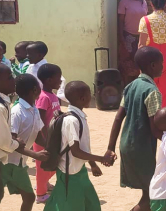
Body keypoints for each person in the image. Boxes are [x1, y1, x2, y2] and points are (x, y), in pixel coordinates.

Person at [0, 63, 47, 211]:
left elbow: (36, 134)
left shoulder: (5, 104)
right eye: (9, 77)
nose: (14, 80)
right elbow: (4, 142)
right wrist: (19, 145)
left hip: (1, 162)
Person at [105, 46, 164, 211]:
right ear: (152, 65)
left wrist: (110, 148)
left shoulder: (131, 86)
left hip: (127, 144)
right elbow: (155, 128)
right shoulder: (152, 91)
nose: (163, 66)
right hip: (142, 147)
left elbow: (118, 118)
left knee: (149, 192)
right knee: (151, 195)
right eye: (161, 63)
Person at [44, 81, 114, 211]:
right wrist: (102, 159)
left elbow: (84, 146)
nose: (92, 96)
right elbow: (75, 151)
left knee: (91, 205)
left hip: (79, 171)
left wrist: (92, 164)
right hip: (69, 174)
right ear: (82, 98)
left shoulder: (79, 117)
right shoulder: (71, 120)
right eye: (89, 94)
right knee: (69, 206)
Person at [4, 74, 47, 211]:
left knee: (29, 197)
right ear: (35, 90)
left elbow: (38, 134)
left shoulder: (34, 109)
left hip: (20, 163)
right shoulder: (17, 112)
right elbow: (11, 141)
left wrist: (51, 148)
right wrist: (35, 155)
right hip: (7, 163)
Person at [138, 0, 166, 107]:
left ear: (151, 4)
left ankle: (150, 117)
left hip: (150, 57)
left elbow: (141, 45)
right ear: (165, 4)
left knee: (149, 89)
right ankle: (164, 117)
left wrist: (140, 64)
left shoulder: (145, 20)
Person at [34, 63, 63, 203]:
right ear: (49, 80)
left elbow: (54, 114)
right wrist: (44, 140)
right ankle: (40, 194)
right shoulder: (43, 97)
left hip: (52, 137)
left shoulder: (52, 95)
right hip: (43, 139)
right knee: (42, 167)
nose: (61, 80)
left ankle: (44, 184)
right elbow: (39, 120)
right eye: (58, 78)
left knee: (53, 163)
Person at [118, 0, 148, 85]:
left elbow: (146, 19)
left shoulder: (143, 1)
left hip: (141, 36)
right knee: (127, 61)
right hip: (128, 36)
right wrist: (121, 36)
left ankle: (138, 85)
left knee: (140, 60)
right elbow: (121, 20)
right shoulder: (124, 2)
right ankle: (127, 86)